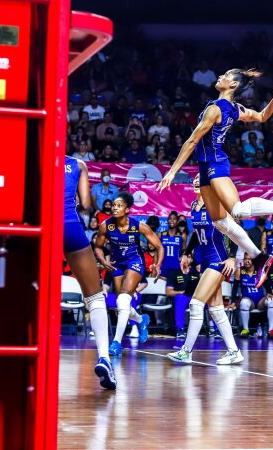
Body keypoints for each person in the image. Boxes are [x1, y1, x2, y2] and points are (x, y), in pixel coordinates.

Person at [157, 68, 273, 287]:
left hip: (215, 164)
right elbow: (261, 116)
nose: (220, 77)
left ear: (232, 85)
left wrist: (173, 171)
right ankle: (260, 257)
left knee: (238, 211)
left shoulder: (216, 108)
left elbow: (192, 141)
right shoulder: (233, 108)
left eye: (225, 76)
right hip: (205, 167)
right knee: (220, 222)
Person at [167, 175, 243, 365]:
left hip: (219, 260)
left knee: (196, 304)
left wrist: (233, 257)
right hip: (205, 260)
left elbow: (236, 230)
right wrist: (186, 253)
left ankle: (186, 351)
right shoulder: (194, 205)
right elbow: (196, 233)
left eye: (200, 179)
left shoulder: (217, 204)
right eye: (194, 178)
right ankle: (234, 351)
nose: (195, 181)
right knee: (216, 309)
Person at [63, 156, 116, 389]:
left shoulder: (35, 157)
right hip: (70, 224)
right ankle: (104, 357)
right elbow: (85, 204)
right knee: (94, 297)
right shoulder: (78, 164)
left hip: (43, 223)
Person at [93, 192, 163, 356]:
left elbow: (159, 246)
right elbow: (98, 247)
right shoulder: (106, 225)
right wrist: (103, 261)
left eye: (119, 206)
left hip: (135, 262)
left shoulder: (139, 226)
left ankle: (116, 343)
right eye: (114, 206)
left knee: (124, 299)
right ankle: (141, 320)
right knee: (122, 304)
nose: (115, 208)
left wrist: (157, 265)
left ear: (127, 209)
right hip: (117, 264)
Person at [235, 255, 269, 337]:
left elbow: (267, 284)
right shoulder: (240, 270)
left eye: (249, 259)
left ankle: (271, 331)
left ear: (253, 260)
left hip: (260, 300)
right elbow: (235, 288)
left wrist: (269, 292)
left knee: (272, 302)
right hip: (249, 300)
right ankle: (246, 329)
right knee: (244, 303)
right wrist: (233, 301)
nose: (247, 261)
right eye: (245, 259)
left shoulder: (260, 270)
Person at [159, 211, 187, 283]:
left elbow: (184, 250)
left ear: (177, 222)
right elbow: (157, 252)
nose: (172, 220)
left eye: (174, 219)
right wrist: (156, 265)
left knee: (176, 289)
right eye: (170, 219)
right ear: (167, 221)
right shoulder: (160, 235)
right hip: (164, 266)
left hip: (177, 266)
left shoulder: (182, 235)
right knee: (162, 290)